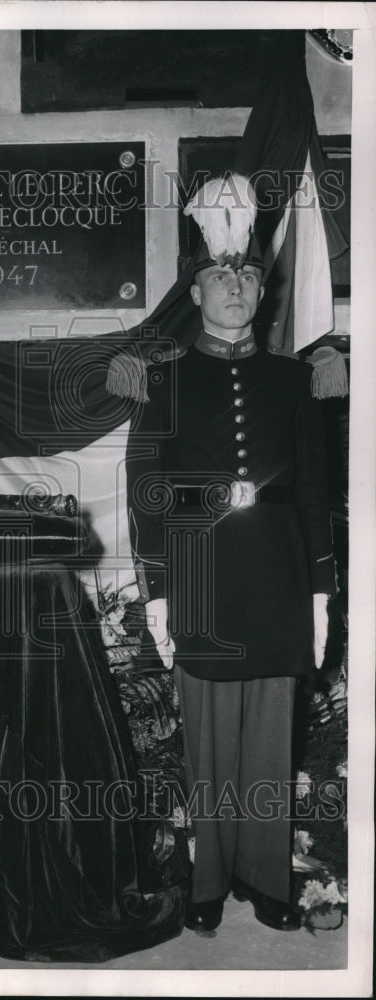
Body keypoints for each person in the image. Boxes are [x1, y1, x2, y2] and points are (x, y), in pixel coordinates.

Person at [126, 176, 336, 933]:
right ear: (196, 289)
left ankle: (265, 879)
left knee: (270, 739)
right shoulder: (163, 382)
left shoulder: (295, 381)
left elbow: (314, 494)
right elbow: (145, 493)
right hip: (202, 575)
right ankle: (208, 879)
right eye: (221, 274)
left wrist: (320, 595)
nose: (237, 286)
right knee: (210, 738)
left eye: (247, 273)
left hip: (278, 572)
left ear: (261, 286)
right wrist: (156, 593)